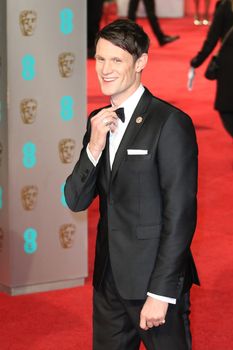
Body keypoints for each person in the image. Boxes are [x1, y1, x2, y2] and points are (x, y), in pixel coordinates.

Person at [65, 19, 199, 350]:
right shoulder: (97, 121)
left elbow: (179, 214)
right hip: (108, 282)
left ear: (140, 62)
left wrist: (161, 292)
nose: (105, 69)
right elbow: (75, 199)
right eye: (99, 58)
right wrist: (93, 147)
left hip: (154, 284)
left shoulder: (170, 123)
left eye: (116, 60)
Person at [190, 0, 233, 137]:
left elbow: (212, 38)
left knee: (226, 108)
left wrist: (197, 61)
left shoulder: (225, 7)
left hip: (228, 65)